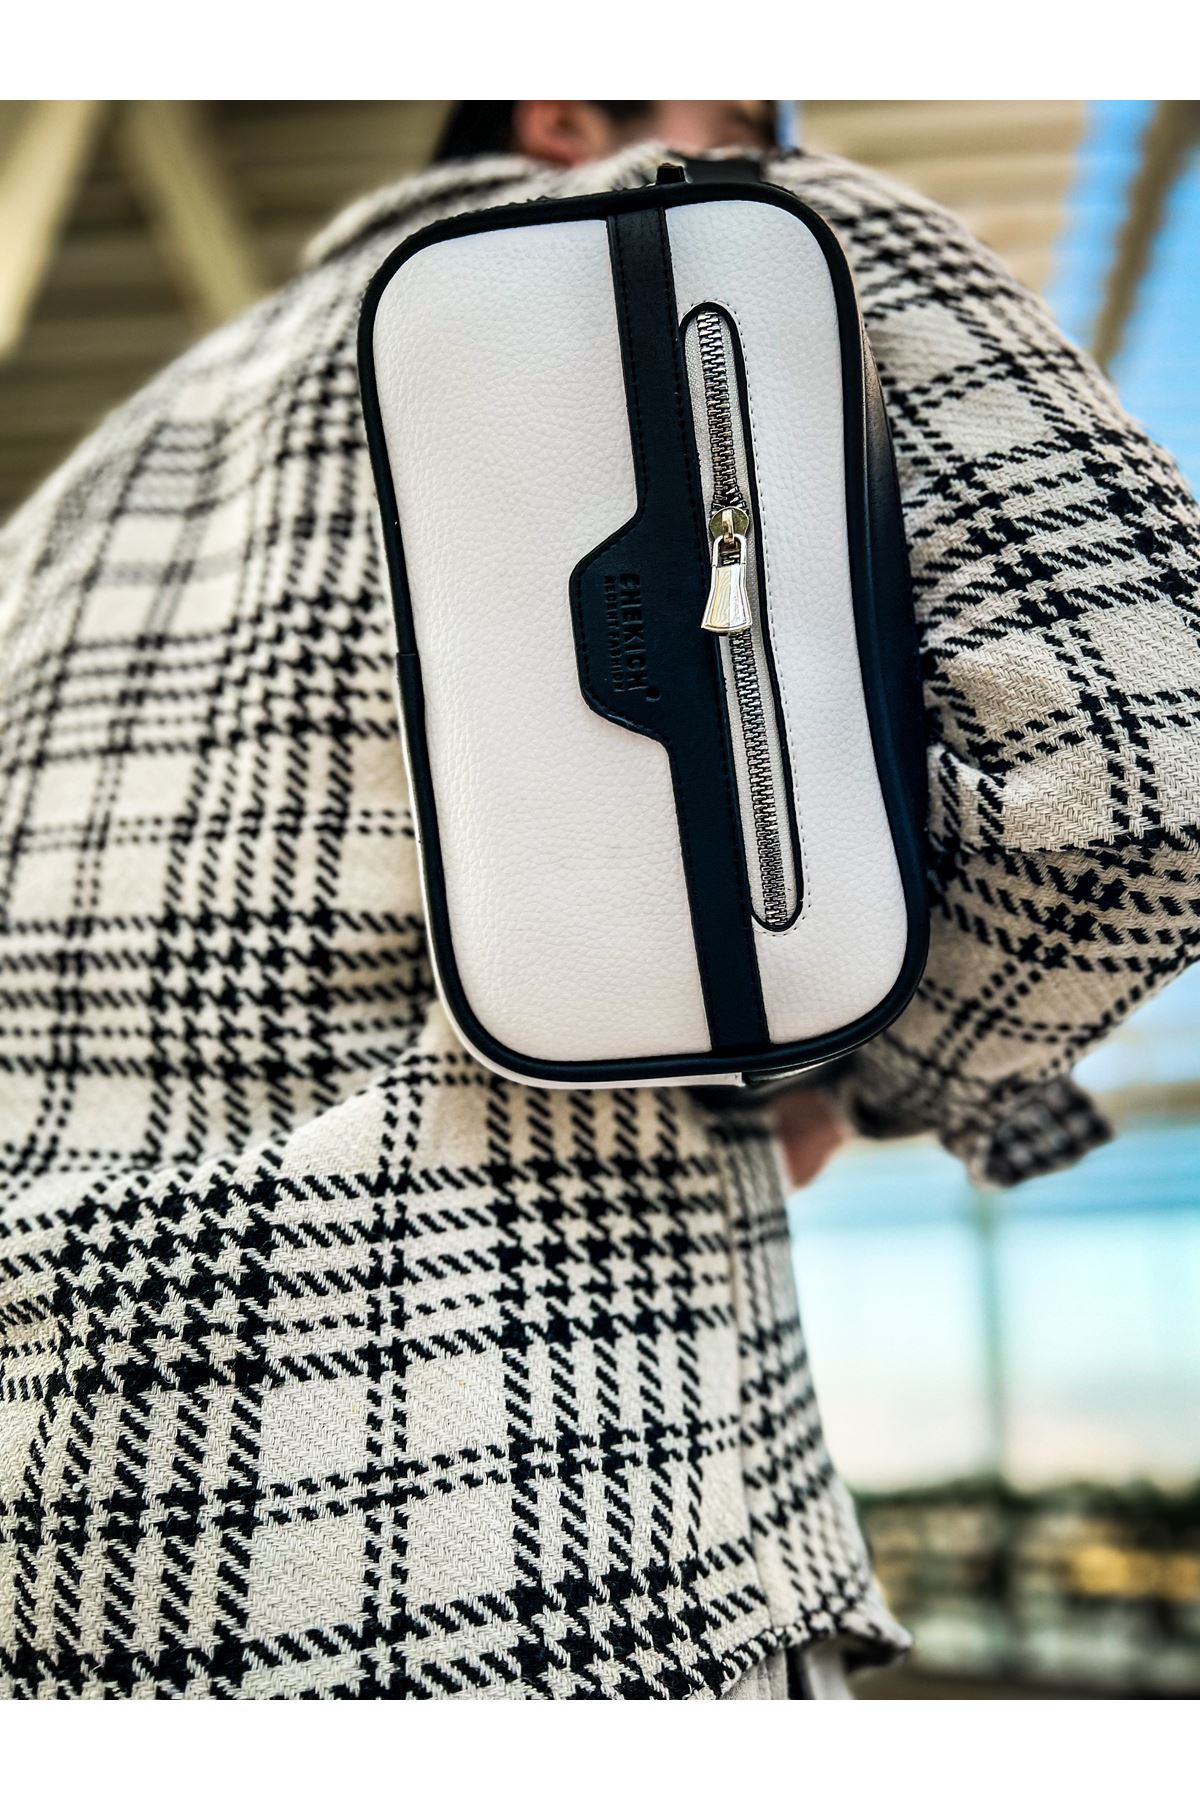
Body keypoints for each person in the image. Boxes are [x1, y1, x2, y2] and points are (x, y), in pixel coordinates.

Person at [0, 99, 1196, 1701]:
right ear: (566, 104)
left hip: (57, 1530)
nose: (776, 133)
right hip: (526, 1510)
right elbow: (1145, 768)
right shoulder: (724, 222)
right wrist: (847, 1064)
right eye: (750, 107)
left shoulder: (82, 486)